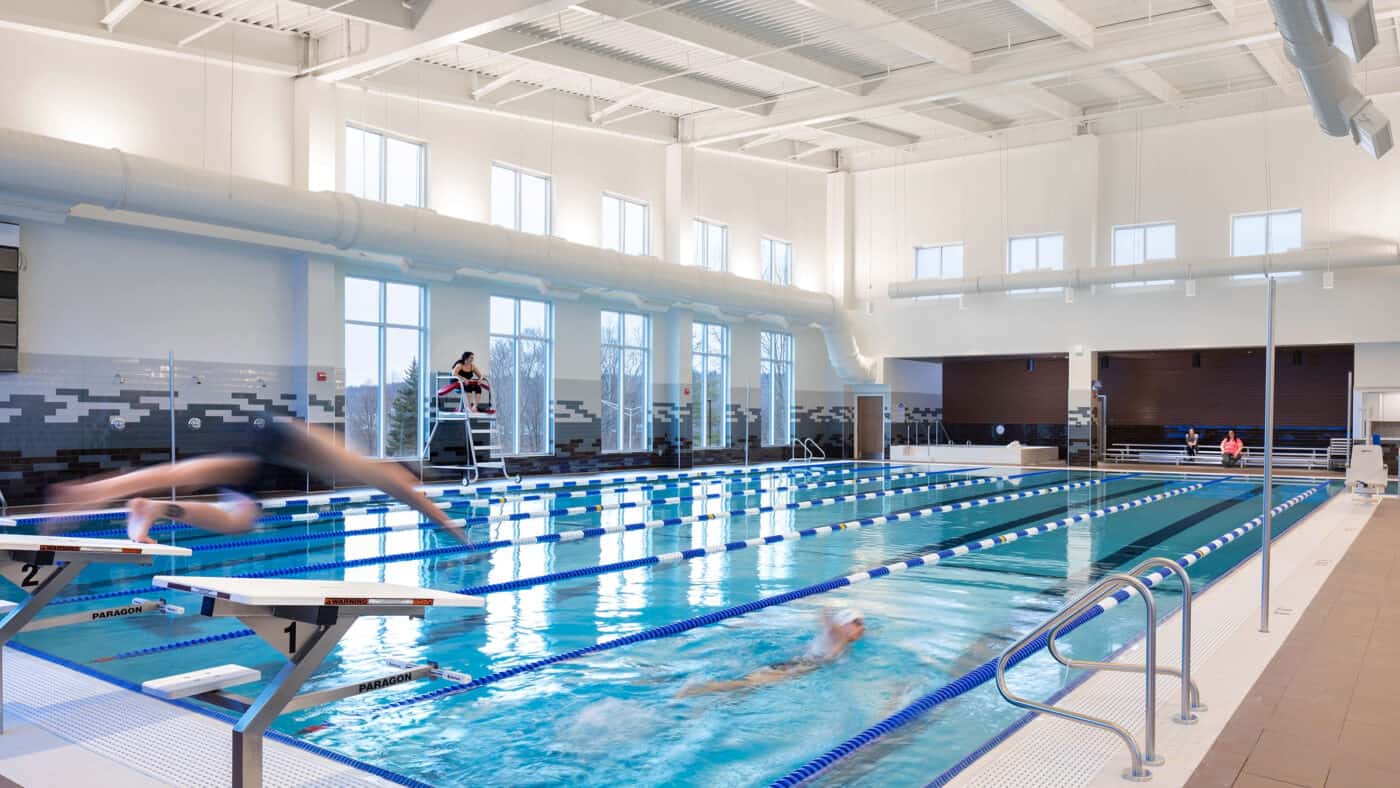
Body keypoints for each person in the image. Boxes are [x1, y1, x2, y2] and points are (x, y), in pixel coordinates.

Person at [44, 418, 470, 545]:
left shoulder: (355, 465)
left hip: (275, 458)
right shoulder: (374, 471)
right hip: (277, 441)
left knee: (238, 520)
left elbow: (400, 482)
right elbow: (399, 482)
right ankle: (86, 492)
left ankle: (152, 508)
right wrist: (446, 523)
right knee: (188, 475)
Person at [676, 607, 865, 696]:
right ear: (843, 624)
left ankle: (702, 698)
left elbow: (824, 616)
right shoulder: (838, 634)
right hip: (798, 667)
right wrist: (838, 629)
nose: (861, 628)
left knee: (747, 690)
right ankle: (700, 688)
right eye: (856, 623)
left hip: (797, 663)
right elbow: (824, 615)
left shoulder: (840, 636)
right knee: (744, 684)